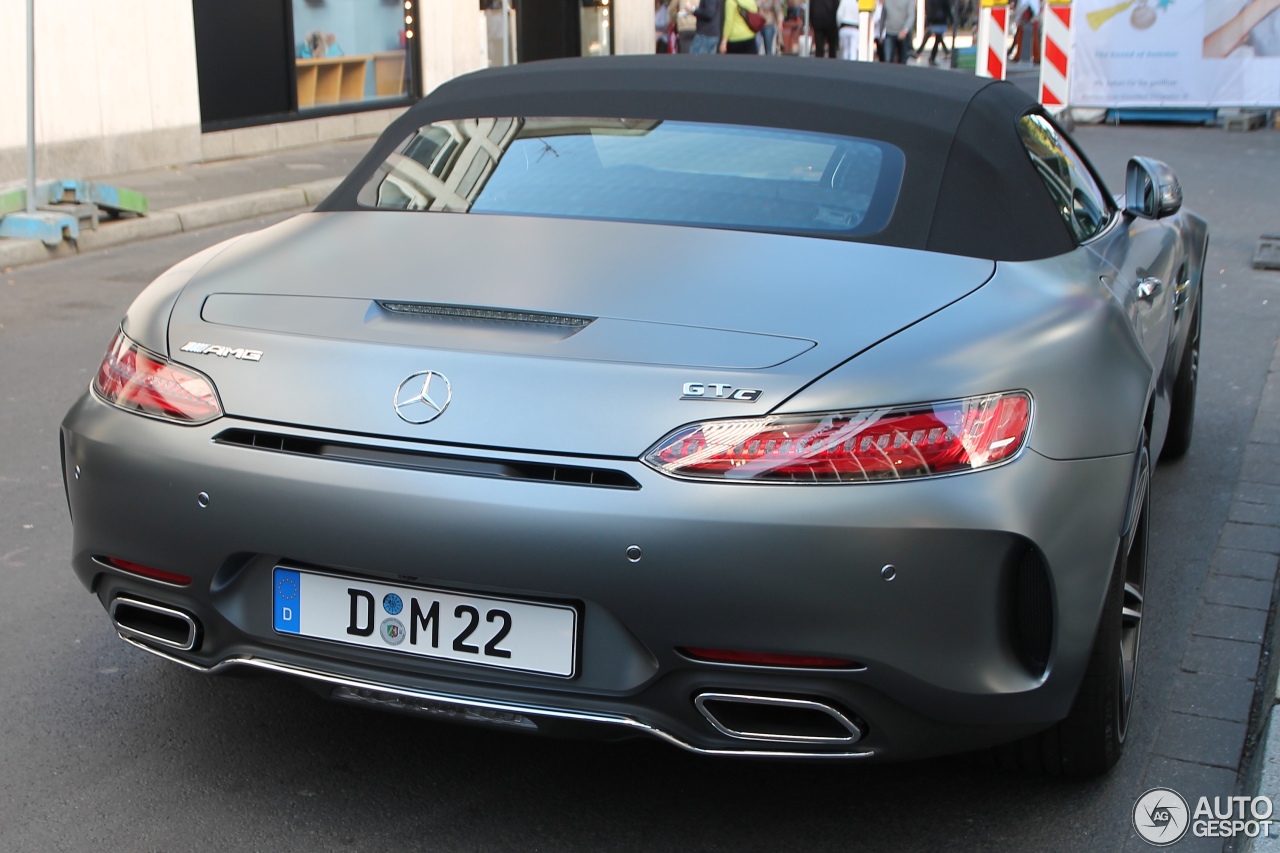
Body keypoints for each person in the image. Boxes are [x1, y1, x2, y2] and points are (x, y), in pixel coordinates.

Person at [923, 0, 952, 64]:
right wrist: (951, 19)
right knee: (938, 38)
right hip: (941, 20)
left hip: (934, 20)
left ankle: (931, 56)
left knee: (938, 38)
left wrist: (928, 20)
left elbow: (928, 8)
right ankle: (933, 56)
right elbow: (947, 7)